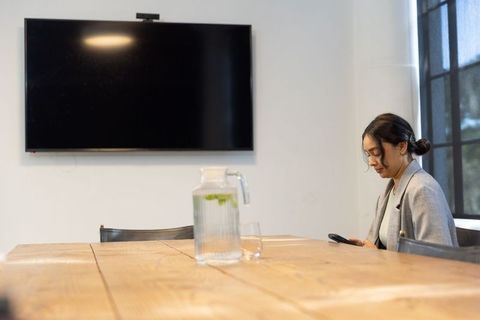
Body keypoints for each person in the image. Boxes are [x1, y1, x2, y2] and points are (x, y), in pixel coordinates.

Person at [350, 113, 458, 250]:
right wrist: (368, 247)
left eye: (376, 152)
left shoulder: (422, 190)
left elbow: (437, 258)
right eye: (368, 155)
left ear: (402, 146)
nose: (371, 162)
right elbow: (384, 247)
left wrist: (380, 258)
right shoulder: (387, 193)